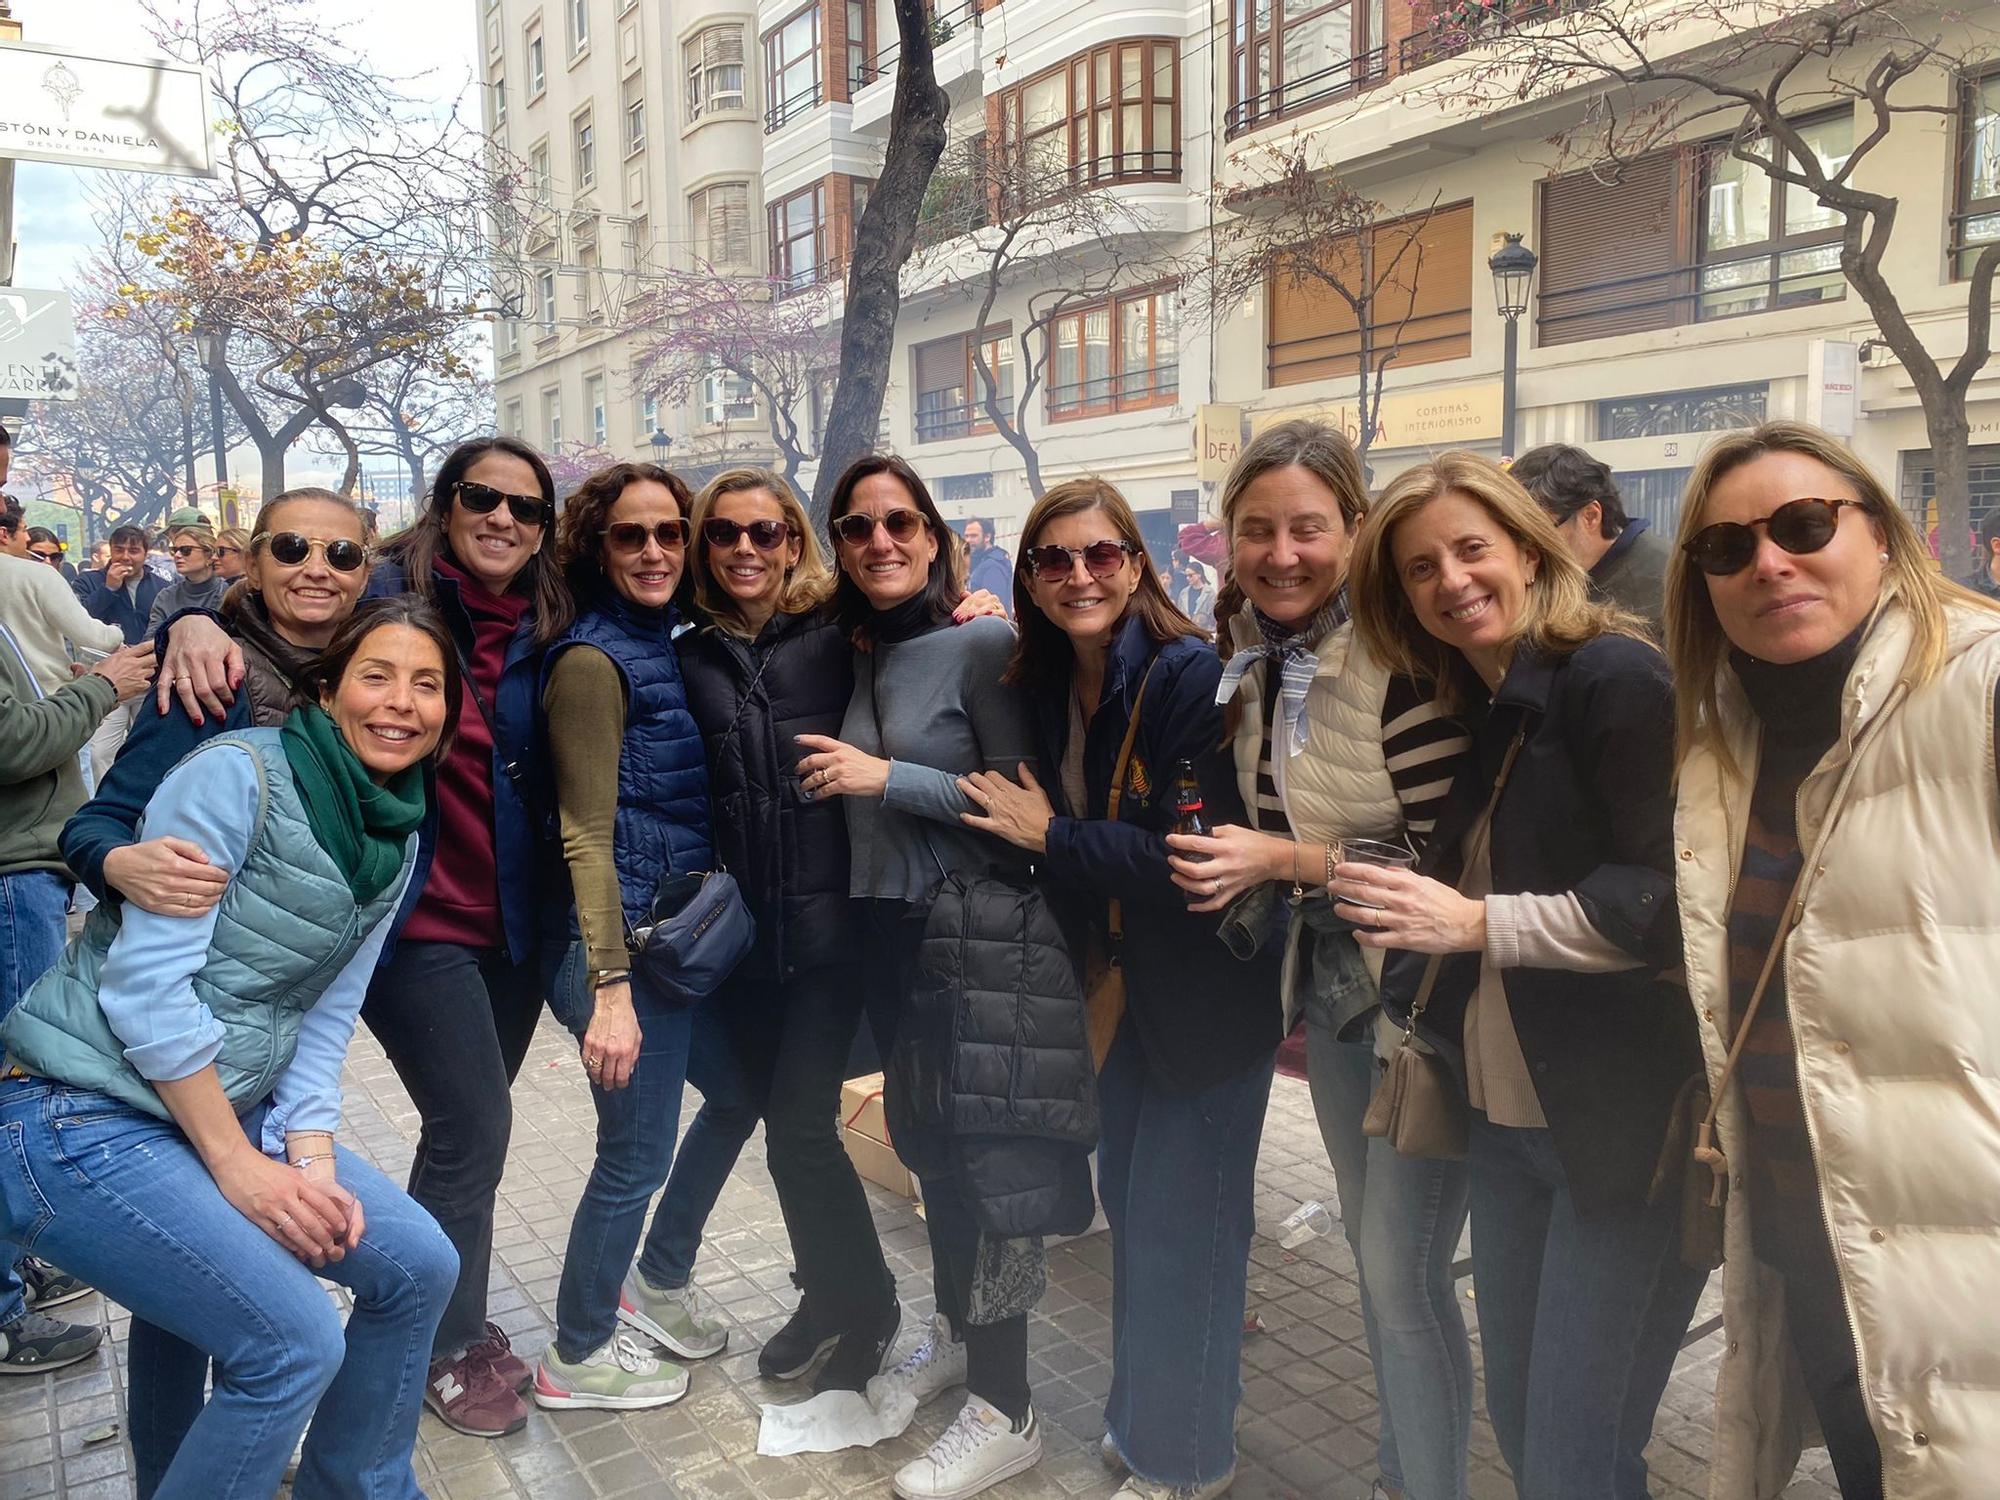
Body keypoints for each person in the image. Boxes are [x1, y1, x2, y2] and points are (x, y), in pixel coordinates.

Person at [142, 438, 570, 1440]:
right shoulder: (389, 584)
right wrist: (193, 620)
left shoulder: (555, 608)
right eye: (479, 497)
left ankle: (443, 1321)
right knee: (475, 1126)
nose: (502, 518)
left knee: (472, 1129)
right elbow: (288, 587)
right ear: (444, 505)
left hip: (508, 918)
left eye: (526, 506)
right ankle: (442, 1348)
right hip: (408, 916)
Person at [0, 600, 461, 1500]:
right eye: (376, 675)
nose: (400, 702)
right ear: (323, 694)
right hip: (73, 1113)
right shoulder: (237, 775)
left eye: (427, 684)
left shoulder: (393, 832)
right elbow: (146, 991)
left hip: (211, 1108)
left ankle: (359, 1488)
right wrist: (237, 1166)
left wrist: (312, 1157)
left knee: (419, 1266)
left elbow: (328, 1013)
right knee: (294, 1341)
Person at [1337, 451, 1703, 1500]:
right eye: (1418, 568)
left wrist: (1472, 921)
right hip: (1504, 1133)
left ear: (1530, 550)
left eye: (1469, 549)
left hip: (1612, 1132)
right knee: (1523, 1425)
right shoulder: (1490, 703)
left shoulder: (1613, 677)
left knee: (1572, 1458)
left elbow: (1670, 902)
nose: (1449, 580)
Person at [1666, 422, 2000, 1499]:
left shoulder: (1977, 686)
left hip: (1965, 1244)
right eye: (1725, 549)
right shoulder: (1727, 738)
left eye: (1803, 525)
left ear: (1877, 531)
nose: (1767, 561)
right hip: (1811, 1225)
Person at [1167, 420, 1473, 1500]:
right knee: (1370, 1248)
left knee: (1400, 1274)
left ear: (1354, 529)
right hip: (1339, 1003)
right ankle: (1403, 1470)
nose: (1280, 552)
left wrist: (1283, 856)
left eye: (1306, 528)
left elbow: (1450, 857)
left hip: (1424, 1009)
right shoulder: (1248, 654)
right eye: (1256, 530)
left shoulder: (1399, 661)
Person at [960, 476, 1279, 1500]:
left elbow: (1192, 862)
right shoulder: (1055, 678)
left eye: (1100, 554)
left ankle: (1186, 1462)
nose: (1078, 575)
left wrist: (1047, 835)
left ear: (1136, 564)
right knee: (1140, 1227)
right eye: (1052, 559)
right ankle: (1147, 1424)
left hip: (1202, 1008)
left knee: (1189, 1242)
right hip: (1121, 999)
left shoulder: (1186, 676)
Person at [798, 454, 1057, 1500]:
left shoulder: (981, 641)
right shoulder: (861, 652)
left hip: (965, 940)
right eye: (856, 527)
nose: (878, 541)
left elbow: (1022, 808)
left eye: (899, 521)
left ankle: (1011, 1406)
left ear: (935, 532)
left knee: (981, 1169)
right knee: (925, 1154)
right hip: (881, 942)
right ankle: (958, 1338)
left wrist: (883, 777)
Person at [677, 467, 902, 1391]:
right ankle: (826, 1294)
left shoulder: (840, 635)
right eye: (725, 534)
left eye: (765, 533)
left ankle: (870, 1304)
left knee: (804, 1130)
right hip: (743, 948)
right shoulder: (687, 655)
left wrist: (972, 605)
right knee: (783, 1130)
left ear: (795, 543)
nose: (744, 550)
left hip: (832, 939)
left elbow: (918, 616)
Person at [535, 460, 748, 1409]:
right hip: (623, 949)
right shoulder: (592, 661)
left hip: (681, 938)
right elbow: (583, 829)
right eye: (632, 535)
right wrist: (608, 988)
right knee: (633, 1157)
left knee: (743, 1094)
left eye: (672, 532)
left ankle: (658, 1276)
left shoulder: (673, 637)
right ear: (597, 546)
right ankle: (577, 1349)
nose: (656, 550)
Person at [0, 622, 152, 1374]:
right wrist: (103, 687)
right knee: (16, 1086)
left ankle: (19, 1264)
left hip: (26, 870)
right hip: (9, 874)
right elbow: (10, 742)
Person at [1511, 444, 1670, 625]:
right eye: (1518, 536)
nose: (1529, 553)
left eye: (1541, 533)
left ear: (1590, 516)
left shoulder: (1663, 580)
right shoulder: (1544, 582)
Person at [0, 537, 125, 696]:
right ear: (4, 535)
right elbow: (93, 637)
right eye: (38, 555)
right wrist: (117, 633)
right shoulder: (42, 576)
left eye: (55, 557)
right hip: (46, 694)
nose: (47, 561)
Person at [148, 522, 230, 634]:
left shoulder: (228, 594)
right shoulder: (166, 597)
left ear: (210, 556)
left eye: (186, 550)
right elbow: (151, 639)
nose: (177, 555)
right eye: (174, 550)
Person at [962, 517, 1013, 614]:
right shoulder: (980, 561)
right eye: (966, 536)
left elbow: (994, 607)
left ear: (987, 537)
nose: (968, 540)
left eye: (973, 536)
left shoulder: (993, 566)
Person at [1171, 552, 1216, 632]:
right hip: (1187, 631)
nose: (1188, 578)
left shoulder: (1210, 593)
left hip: (1205, 632)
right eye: (1186, 576)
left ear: (1199, 575)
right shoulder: (1183, 593)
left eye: (1190, 575)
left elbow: (1213, 616)